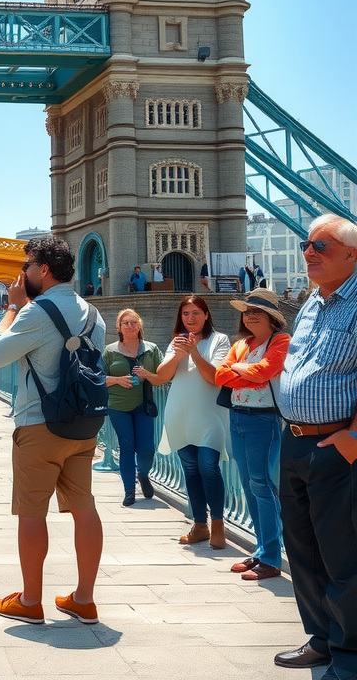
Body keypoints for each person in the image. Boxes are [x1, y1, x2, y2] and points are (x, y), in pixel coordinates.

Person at [0, 235, 107, 625]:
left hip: (39, 426)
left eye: (27, 265)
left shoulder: (35, 312)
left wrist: (11, 309)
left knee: (31, 513)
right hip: (83, 425)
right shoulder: (93, 313)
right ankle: (83, 600)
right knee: (84, 508)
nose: (23, 272)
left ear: (44, 270)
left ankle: (30, 600)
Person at [273, 214, 357, 677]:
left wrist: (353, 438)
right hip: (295, 440)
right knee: (301, 546)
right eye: (307, 245)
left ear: (352, 255)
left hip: (335, 442)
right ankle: (320, 639)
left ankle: (348, 652)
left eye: (321, 247)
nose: (310, 253)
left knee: (341, 552)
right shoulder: (310, 302)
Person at [213, 287, 289, 581]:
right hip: (238, 418)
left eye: (256, 311)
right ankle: (261, 550)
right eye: (246, 311)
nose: (250, 316)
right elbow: (221, 376)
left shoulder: (281, 340)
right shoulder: (242, 344)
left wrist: (241, 370)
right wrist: (248, 372)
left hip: (263, 421)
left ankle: (271, 556)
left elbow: (264, 372)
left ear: (271, 317)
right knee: (248, 485)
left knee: (262, 484)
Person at [151, 295, 230, 550]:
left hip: (210, 416)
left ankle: (218, 524)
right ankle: (199, 525)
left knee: (208, 467)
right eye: (186, 314)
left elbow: (215, 378)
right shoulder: (176, 342)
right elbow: (162, 376)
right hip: (180, 414)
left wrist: (194, 352)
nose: (190, 318)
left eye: (196, 313)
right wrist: (177, 354)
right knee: (191, 471)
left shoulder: (220, 340)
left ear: (206, 315)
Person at [102, 308, 162, 506]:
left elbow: (162, 378)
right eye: (125, 323)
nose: (130, 326)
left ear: (139, 325)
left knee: (146, 449)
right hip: (118, 406)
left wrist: (147, 374)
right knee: (127, 447)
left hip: (143, 406)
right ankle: (129, 491)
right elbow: (99, 378)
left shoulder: (151, 349)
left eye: (133, 322)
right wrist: (118, 380)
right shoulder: (110, 351)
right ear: (119, 327)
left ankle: (143, 475)